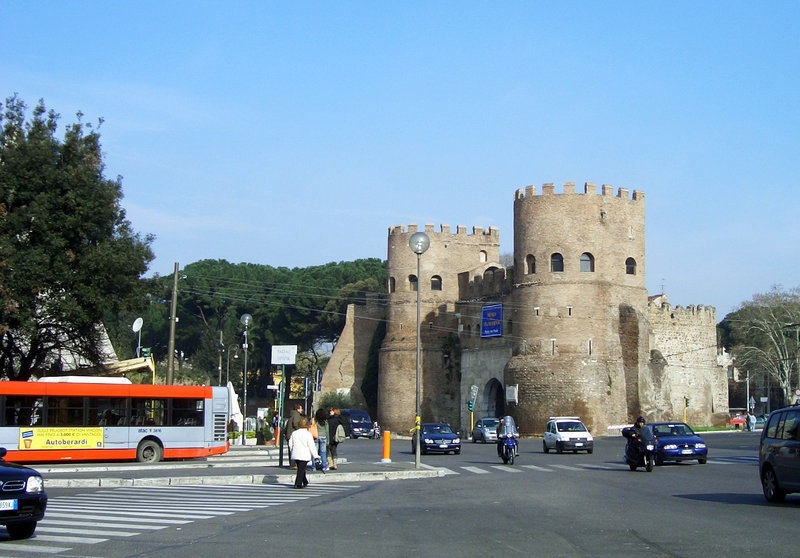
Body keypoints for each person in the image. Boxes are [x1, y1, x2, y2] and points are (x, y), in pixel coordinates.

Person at [288, 417, 319, 489]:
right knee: (301, 469)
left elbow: (290, 444)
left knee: (301, 468)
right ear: (307, 425)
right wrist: (316, 456)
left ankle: (305, 481)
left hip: (296, 453)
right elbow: (311, 446)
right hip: (304, 455)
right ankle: (297, 484)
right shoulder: (308, 434)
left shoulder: (294, 433)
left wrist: (292, 450)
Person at [284, 403, 305, 468]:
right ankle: (293, 464)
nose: (302, 410)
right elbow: (296, 424)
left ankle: (292, 464)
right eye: (301, 408)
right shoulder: (296, 415)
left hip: (289, 434)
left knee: (291, 449)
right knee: (294, 450)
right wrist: (301, 430)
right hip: (293, 435)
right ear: (297, 409)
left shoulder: (292, 414)